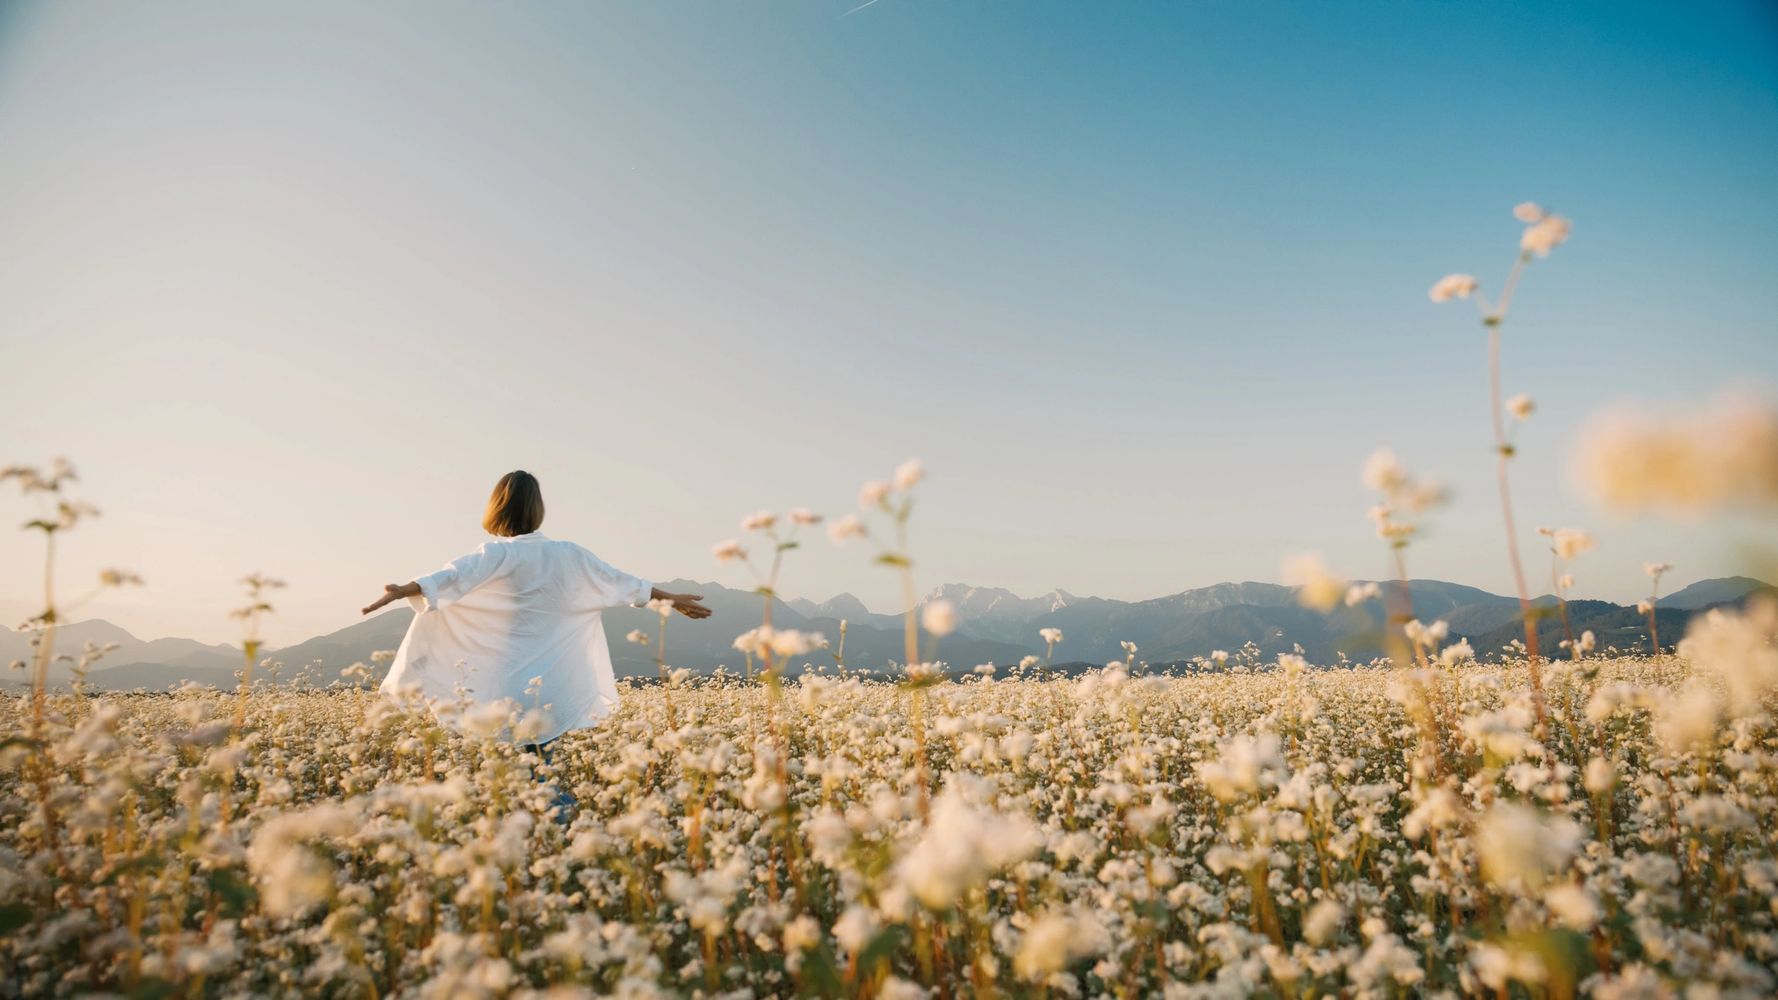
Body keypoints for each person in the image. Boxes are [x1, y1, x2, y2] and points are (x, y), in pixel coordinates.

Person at [362, 470, 710, 756]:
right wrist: (671, 599)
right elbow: (623, 583)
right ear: (538, 509)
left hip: (498, 690)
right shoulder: (571, 555)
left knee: (508, 783)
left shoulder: (494, 555)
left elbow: (448, 578)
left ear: (496, 508)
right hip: (549, 693)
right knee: (541, 773)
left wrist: (405, 590)